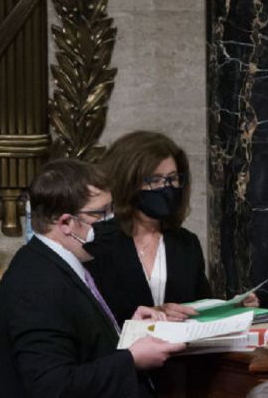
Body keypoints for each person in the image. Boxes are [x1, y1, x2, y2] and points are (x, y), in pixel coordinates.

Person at [0, 159, 185, 398]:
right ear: (66, 222)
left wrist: (127, 328)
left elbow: (78, 341)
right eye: (100, 215)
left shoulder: (62, 265)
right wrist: (131, 359)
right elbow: (53, 386)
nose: (110, 222)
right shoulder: (36, 282)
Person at [86, 131, 257, 323]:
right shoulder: (98, 240)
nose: (166, 188)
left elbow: (199, 307)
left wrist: (232, 308)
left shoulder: (186, 242)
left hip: (181, 350)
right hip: (124, 350)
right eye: (155, 180)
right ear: (127, 183)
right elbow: (90, 318)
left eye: (172, 179)